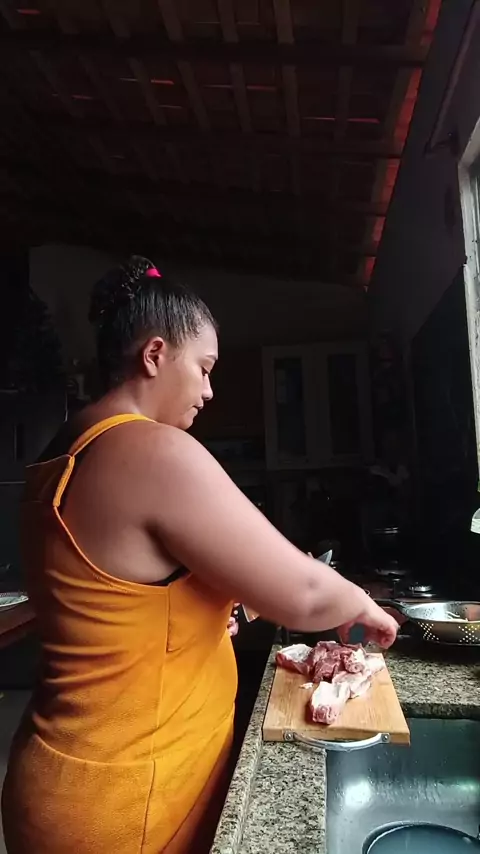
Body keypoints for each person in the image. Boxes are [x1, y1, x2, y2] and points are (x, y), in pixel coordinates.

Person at [1, 256, 398, 854]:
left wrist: (210, 615)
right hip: (127, 799)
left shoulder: (62, 453)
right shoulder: (151, 450)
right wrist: (363, 603)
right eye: (205, 368)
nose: (210, 391)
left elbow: (117, 606)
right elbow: (304, 593)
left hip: (63, 777)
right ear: (155, 354)